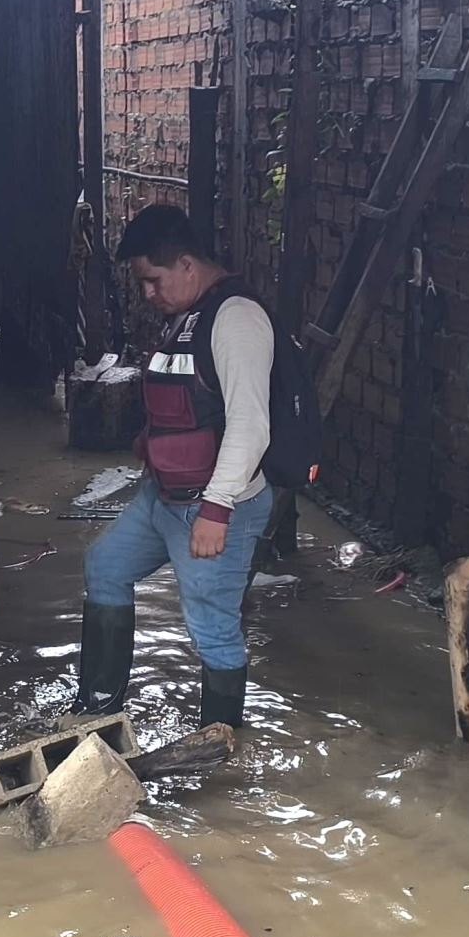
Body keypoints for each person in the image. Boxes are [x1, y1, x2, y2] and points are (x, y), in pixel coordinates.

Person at [75, 204, 274, 741]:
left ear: (187, 265)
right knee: (106, 566)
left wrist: (217, 508)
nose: (147, 294)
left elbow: (251, 426)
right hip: (165, 497)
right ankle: (96, 712)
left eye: (152, 281)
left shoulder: (236, 320)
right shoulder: (187, 316)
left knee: (212, 626)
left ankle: (219, 747)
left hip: (215, 507)